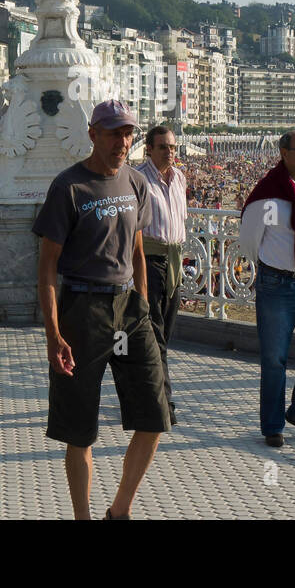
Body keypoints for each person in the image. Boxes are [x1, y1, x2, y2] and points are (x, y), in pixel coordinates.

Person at [33, 100, 168, 520]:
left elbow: (139, 251)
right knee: (80, 429)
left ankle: (120, 510)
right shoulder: (68, 187)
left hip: (129, 308)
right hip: (82, 309)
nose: (122, 142)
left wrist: (142, 304)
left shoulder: (135, 183)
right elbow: (47, 267)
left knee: (154, 415)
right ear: (93, 134)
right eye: (113, 133)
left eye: (127, 133)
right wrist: (54, 335)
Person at [239, 129, 295, 448]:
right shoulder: (267, 194)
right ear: (283, 152)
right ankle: (273, 425)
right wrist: (271, 266)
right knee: (275, 358)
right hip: (277, 284)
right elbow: (249, 239)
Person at [136, 125, 187, 426]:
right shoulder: (139, 178)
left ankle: (146, 393)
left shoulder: (179, 178)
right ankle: (163, 403)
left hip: (174, 261)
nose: (169, 152)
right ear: (149, 149)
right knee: (156, 337)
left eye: (172, 147)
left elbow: (180, 221)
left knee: (164, 335)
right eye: (163, 147)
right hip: (149, 260)